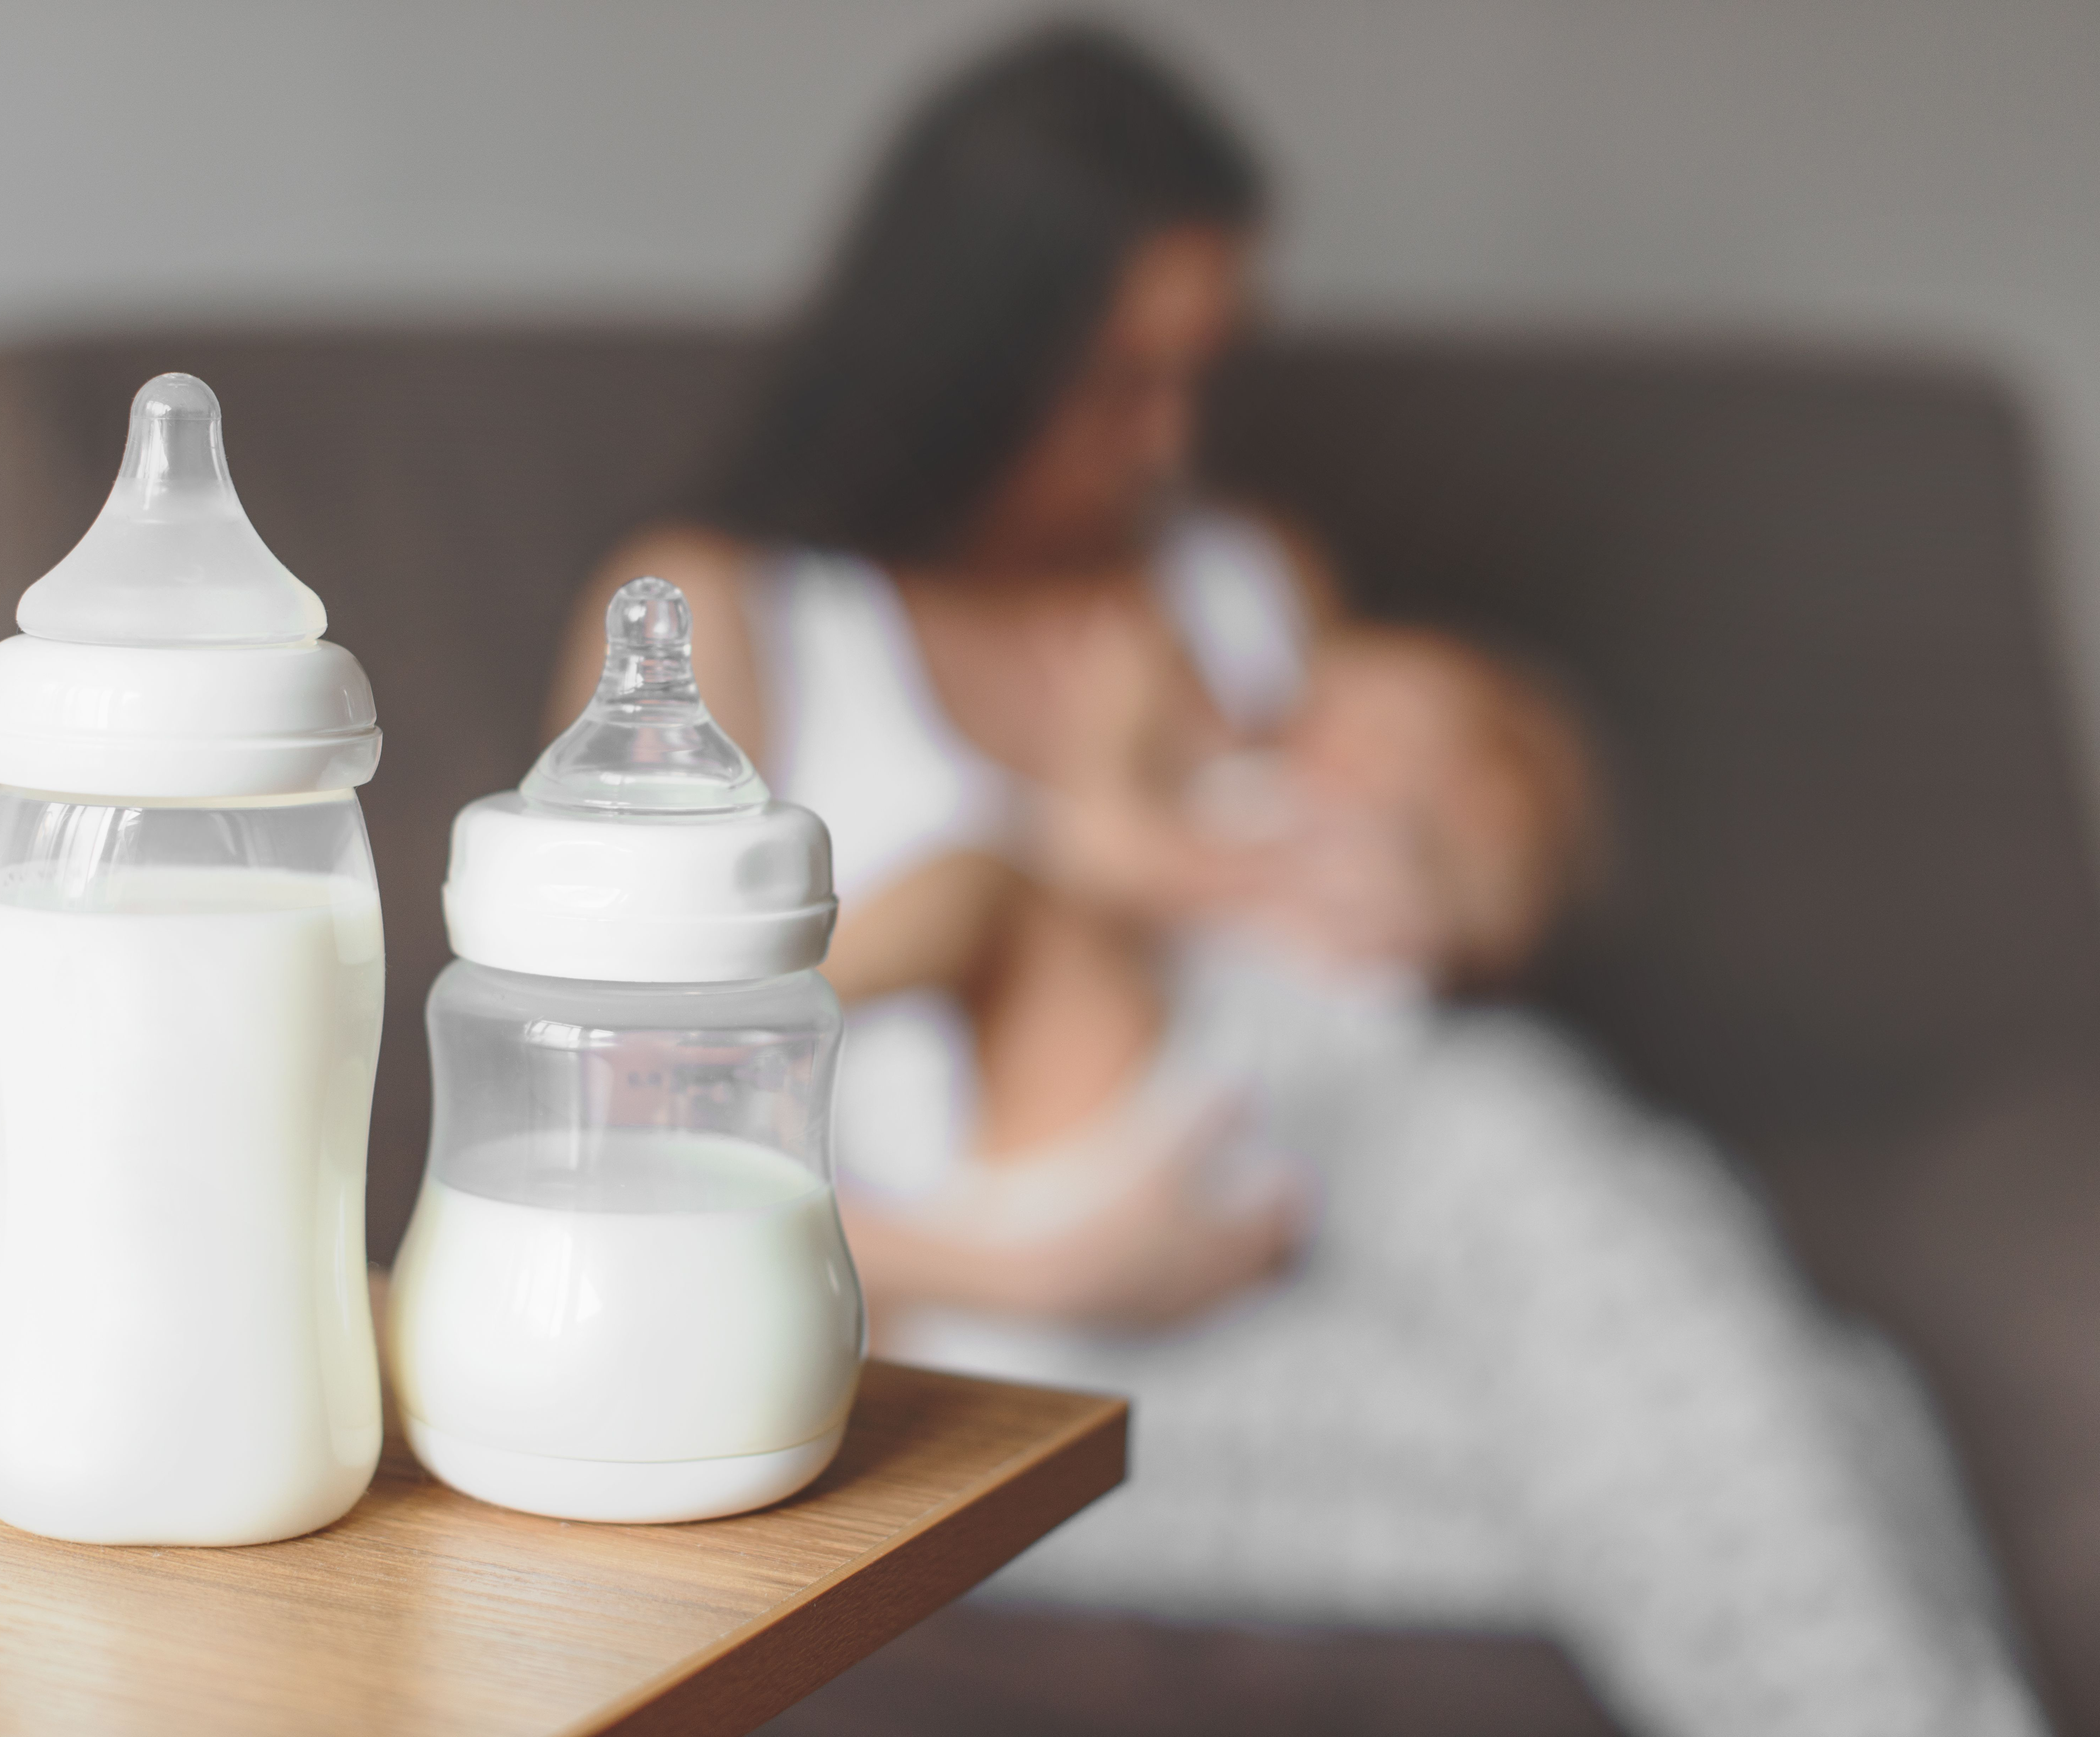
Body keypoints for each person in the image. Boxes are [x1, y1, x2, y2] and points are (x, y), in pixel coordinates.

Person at [547, 22, 2045, 1737]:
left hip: (1354, 1189)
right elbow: (612, 1138)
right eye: (1119, 378)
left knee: (1614, 1251)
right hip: (1000, 1310)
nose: (1165, 438)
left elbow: (1444, 876)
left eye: (1203, 370)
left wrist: (1426, 883)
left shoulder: (1240, 574)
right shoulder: (720, 613)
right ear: (967, 350)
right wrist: (1039, 1272)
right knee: (1814, 1418)